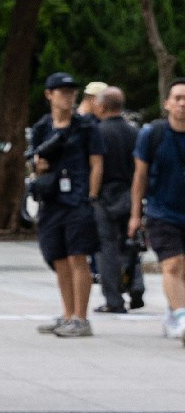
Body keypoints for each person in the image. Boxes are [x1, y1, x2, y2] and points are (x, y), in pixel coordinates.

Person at [30, 71, 103, 337]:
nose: (68, 97)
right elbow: (34, 161)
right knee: (58, 258)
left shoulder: (86, 127)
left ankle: (81, 318)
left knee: (78, 257)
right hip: (51, 201)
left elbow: (97, 163)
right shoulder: (41, 127)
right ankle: (68, 313)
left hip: (78, 199)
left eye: (72, 92)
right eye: (62, 92)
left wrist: (91, 196)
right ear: (49, 95)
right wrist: (37, 166)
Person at [131, 79, 185, 346]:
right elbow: (139, 177)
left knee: (182, 270)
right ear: (167, 103)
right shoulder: (152, 135)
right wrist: (134, 215)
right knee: (172, 264)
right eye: (177, 98)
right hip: (162, 211)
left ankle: (173, 310)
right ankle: (182, 316)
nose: (182, 103)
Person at [91, 86, 144, 315]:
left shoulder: (97, 132)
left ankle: (113, 299)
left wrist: (92, 196)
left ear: (102, 106)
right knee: (131, 244)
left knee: (107, 248)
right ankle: (136, 286)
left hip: (104, 195)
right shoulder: (135, 133)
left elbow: (96, 167)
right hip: (130, 192)